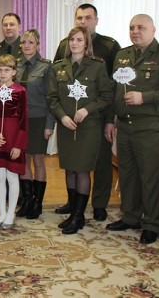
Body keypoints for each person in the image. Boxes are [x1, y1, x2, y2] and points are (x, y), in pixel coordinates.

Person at [106, 14, 159, 245]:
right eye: (132, 27)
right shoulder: (122, 55)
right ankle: (131, 216)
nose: (135, 31)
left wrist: (145, 97)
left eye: (141, 27)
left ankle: (151, 223)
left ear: (153, 30)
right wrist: (111, 119)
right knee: (127, 174)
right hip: (125, 125)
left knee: (149, 176)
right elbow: (115, 90)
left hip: (150, 126)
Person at [53, 3, 121, 221]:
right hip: (68, 119)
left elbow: (111, 89)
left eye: (88, 18)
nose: (83, 21)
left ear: (96, 20)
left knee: (99, 163)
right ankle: (74, 206)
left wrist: (109, 119)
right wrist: (61, 115)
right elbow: (56, 85)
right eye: (79, 18)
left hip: (95, 117)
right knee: (72, 165)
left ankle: (98, 204)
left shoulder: (109, 47)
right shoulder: (64, 48)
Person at [48, 26, 112, 234]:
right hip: (66, 126)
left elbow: (106, 96)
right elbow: (52, 98)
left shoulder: (97, 66)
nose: (74, 43)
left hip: (88, 127)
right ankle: (74, 213)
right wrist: (62, 116)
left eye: (79, 40)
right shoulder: (59, 67)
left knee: (82, 170)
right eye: (72, 39)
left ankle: (78, 216)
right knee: (69, 169)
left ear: (86, 44)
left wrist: (87, 109)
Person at [0, 55, 28, 229]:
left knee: (12, 176)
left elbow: (23, 120)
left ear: (14, 72)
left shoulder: (20, 91)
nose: (3, 73)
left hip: (13, 138)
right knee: (0, 176)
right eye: (0, 70)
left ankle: (11, 213)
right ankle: (2, 212)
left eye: (7, 70)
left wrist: (18, 145)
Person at [14, 29, 54, 220]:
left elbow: (51, 97)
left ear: (38, 45)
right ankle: (27, 201)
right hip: (20, 120)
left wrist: (49, 124)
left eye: (31, 42)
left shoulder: (46, 66)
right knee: (23, 161)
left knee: (38, 161)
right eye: (24, 42)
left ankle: (37, 203)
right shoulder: (16, 65)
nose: (27, 46)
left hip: (39, 119)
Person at [0, 13, 22, 84]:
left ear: (19, 27)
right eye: (5, 25)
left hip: (21, 90)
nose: (8, 28)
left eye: (12, 24)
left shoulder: (26, 49)